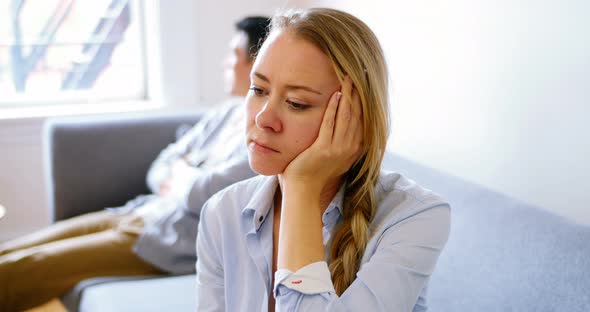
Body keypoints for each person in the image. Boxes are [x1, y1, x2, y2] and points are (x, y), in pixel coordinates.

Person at [0, 16, 270, 311]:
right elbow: (162, 164)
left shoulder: (263, 138)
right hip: (140, 211)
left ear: (258, 62)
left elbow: (201, 195)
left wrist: (183, 173)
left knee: (24, 268)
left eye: (234, 54)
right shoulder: (225, 113)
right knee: (13, 250)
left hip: (167, 242)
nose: (226, 64)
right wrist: (185, 176)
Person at [195, 8, 451, 311]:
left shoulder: (414, 217)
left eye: (296, 103)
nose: (264, 118)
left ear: (354, 118)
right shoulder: (221, 213)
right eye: (258, 89)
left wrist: (301, 189)